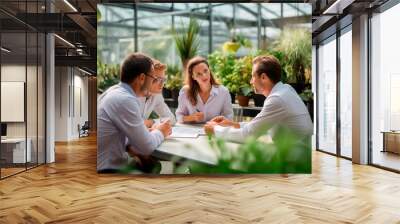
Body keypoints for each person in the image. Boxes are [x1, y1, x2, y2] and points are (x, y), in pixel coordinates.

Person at [204, 55, 313, 143]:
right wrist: (233, 124)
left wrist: (214, 130)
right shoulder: (286, 90)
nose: (251, 81)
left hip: (295, 160)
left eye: (252, 76)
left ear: (263, 77)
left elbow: (247, 136)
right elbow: (258, 126)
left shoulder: (277, 99)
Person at [97, 53, 172, 173]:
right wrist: (161, 131)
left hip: (110, 163)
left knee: (151, 165)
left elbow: (126, 137)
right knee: (152, 166)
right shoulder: (125, 100)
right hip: (109, 169)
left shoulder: (115, 92)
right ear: (142, 78)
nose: (155, 82)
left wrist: (144, 132)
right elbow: (146, 146)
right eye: (153, 78)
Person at [175, 56, 233, 123]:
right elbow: (178, 117)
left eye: (205, 71)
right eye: (198, 74)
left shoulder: (223, 92)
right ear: (193, 77)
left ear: (209, 70)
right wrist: (191, 118)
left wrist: (217, 123)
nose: (204, 75)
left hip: (214, 132)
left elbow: (229, 118)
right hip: (191, 132)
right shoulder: (185, 92)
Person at [138, 59, 176, 128]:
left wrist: (152, 122)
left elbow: (172, 119)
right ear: (144, 78)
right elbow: (134, 126)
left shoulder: (156, 96)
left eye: (163, 80)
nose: (162, 84)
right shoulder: (132, 95)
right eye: (157, 79)